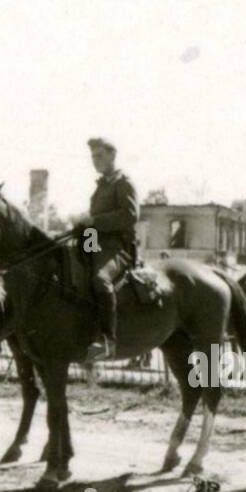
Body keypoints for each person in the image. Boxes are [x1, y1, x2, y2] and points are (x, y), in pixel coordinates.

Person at [79, 137, 138, 360]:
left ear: (113, 155)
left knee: (99, 279)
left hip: (119, 248)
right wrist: (81, 236)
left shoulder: (123, 182)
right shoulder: (101, 186)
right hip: (97, 243)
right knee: (72, 268)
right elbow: (93, 225)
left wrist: (94, 221)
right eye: (93, 156)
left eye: (100, 155)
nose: (95, 160)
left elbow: (130, 216)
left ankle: (107, 340)